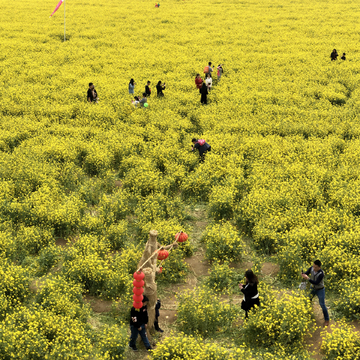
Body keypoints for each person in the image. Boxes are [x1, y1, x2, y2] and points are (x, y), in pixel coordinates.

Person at [301, 260, 329, 326]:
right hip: (313, 288)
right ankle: (308, 314)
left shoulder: (321, 273)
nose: (314, 268)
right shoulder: (311, 268)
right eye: (313, 266)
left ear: (319, 267)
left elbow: (316, 282)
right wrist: (303, 274)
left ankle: (327, 320)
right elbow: (306, 273)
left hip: (320, 289)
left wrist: (308, 278)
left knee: (322, 304)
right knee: (308, 300)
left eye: (315, 267)